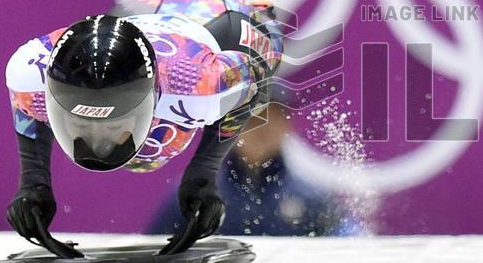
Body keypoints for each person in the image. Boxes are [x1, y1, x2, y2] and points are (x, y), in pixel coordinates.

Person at [4, 0, 283, 253]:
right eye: (85, 125)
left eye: (108, 126)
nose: (98, 142)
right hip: (135, 21)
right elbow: (30, 107)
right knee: (143, 18)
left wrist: (203, 174)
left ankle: (259, 7)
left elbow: (254, 81)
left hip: (213, 15)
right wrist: (33, 185)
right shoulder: (33, 71)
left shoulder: (201, 86)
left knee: (270, 50)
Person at [148, 100, 362, 237]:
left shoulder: (310, 194)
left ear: (288, 126)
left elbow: (347, 244)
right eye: (252, 121)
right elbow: (156, 246)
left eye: (272, 119)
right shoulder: (195, 193)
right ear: (229, 129)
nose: (262, 128)